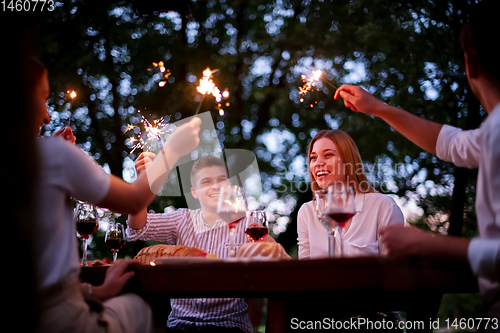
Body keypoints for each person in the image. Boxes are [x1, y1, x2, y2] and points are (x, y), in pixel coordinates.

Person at [334, 0, 500, 319]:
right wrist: (378, 108)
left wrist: (428, 244)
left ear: (470, 65)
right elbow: (451, 143)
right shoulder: (492, 132)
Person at [28, 55, 202, 333]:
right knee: (142, 306)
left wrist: (93, 292)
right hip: (62, 323)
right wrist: (173, 151)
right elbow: (134, 200)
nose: (48, 115)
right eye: (43, 97)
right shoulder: (53, 155)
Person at [127, 154, 273, 333]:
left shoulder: (247, 224)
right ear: (194, 192)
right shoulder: (181, 219)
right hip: (179, 326)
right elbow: (138, 228)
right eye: (206, 181)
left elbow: (279, 259)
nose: (215, 186)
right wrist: (142, 184)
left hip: (229, 327)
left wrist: (268, 246)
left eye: (221, 180)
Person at [297, 129, 404, 259]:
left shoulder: (383, 206)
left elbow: (393, 270)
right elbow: (305, 273)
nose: (318, 163)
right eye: (313, 158)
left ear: (348, 161)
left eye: (328, 155)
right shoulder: (307, 212)